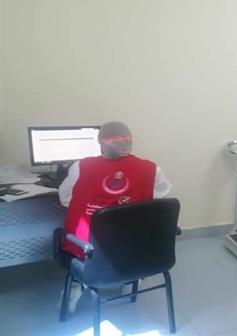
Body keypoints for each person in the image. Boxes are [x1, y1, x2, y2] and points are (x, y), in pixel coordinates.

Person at [57, 121, 172, 313]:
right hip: (134, 248)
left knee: (70, 233)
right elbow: (160, 199)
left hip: (89, 250)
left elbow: (65, 199)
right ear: (130, 141)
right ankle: (132, 279)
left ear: (100, 142)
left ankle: (76, 284)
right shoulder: (152, 169)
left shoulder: (81, 167)